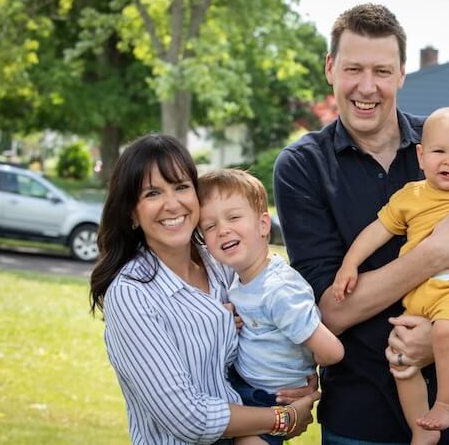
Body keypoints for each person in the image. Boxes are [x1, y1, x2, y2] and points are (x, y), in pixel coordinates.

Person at [273, 3, 449, 445]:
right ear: (330, 68)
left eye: (382, 71)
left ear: (401, 73)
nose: (367, 86)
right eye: (353, 68)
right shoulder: (303, 167)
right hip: (361, 420)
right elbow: (329, 312)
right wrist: (435, 254)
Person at [89, 135, 319, 444]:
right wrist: (282, 418)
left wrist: (295, 377)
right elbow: (188, 418)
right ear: (132, 212)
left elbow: (278, 320)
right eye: (153, 193)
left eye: (181, 187)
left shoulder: (222, 264)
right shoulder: (132, 294)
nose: (173, 204)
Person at [332, 107, 449, 444]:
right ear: (421, 155)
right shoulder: (410, 197)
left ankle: (448, 405)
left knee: (445, 334)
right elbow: (377, 231)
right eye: (439, 151)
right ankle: (423, 429)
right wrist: (349, 265)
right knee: (401, 359)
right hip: (420, 295)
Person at [197, 168, 345, 445]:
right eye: (209, 226)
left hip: (268, 398)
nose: (223, 229)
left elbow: (332, 352)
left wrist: (305, 374)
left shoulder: (279, 290)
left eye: (233, 217)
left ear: (264, 224)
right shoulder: (239, 281)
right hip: (241, 386)